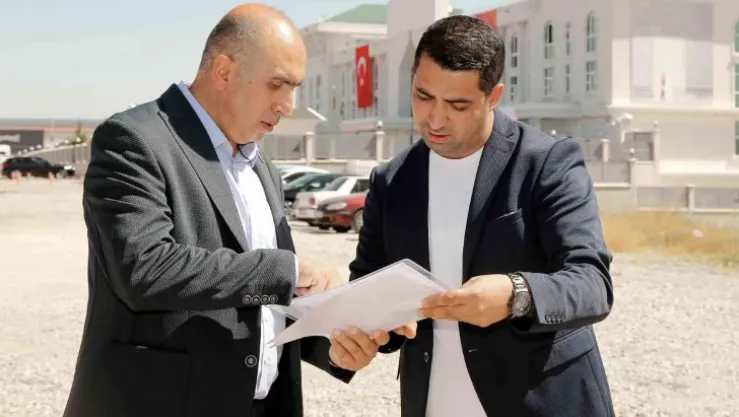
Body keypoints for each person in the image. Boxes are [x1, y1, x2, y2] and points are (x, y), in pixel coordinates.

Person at [62, 4, 385, 417]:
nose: (288, 105)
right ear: (224, 71)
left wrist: (334, 349)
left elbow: (265, 305)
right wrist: (288, 270)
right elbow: (144, 269)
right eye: (276, 84)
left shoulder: (261, 167)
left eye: (294, 88)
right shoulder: (134, 140)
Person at [347, 15, 616, 417]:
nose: (435, 119)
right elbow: (367, 288)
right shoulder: (391, 180)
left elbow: (592, 283)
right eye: (423, 96)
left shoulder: (547, 162)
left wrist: (515, 295)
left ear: (494, 96)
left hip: (539, 403)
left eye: (458, 105)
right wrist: (362, 337)